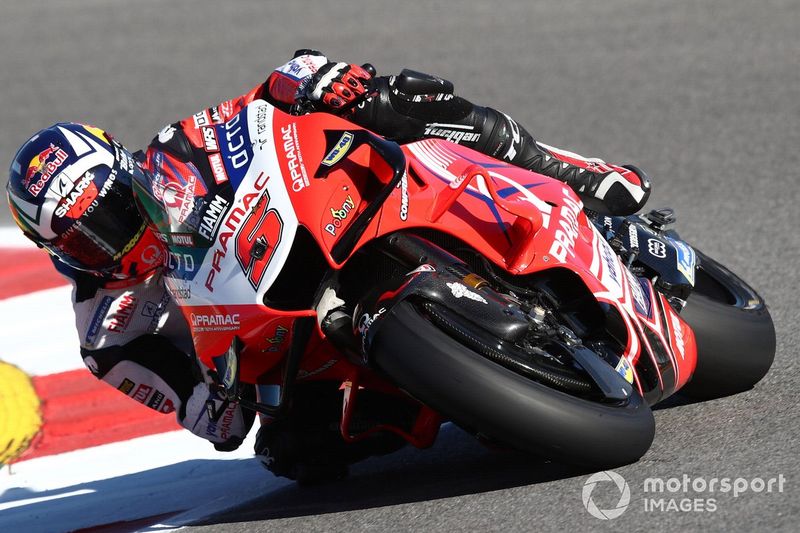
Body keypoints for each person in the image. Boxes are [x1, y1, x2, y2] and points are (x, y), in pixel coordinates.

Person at [6, 50, 651, 481]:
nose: (113, 244)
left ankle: (564, 170)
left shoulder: (178, 149)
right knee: (295, 455)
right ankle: (461, 391)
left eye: (116, 214)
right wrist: (223, 393)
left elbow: (261, 99)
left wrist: (313, 80)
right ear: (59, 254)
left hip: (316, 225)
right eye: (87, 242)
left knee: (397, 100)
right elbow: (211, 423)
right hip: (277, 342)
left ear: (128, 173)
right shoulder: (110, 336)